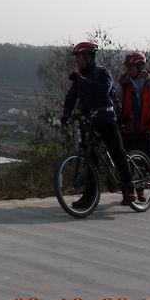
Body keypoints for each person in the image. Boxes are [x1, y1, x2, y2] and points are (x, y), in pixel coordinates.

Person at [60, 42, 136, 207]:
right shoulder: (80, 76)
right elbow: (71, 96)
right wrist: (66, 114)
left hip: (106, 119)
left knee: (117, 152)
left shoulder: (102, 72)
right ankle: (89, 197)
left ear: (89, 57)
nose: (77, 60)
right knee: (90, 160)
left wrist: (82, 80)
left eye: (79, 57)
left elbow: (102, 91)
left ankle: (129, 187)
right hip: (89, 122)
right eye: (76, 57)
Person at [118, 52, 150, 174]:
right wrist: (120, 124)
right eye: (127, 66)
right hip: (128, 130)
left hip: (146, 130)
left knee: (148, 164)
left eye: (131, 66)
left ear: (140, 67)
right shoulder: (123, 83)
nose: (128, 69)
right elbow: (116, 104)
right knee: (127, 164)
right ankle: (131, 185)